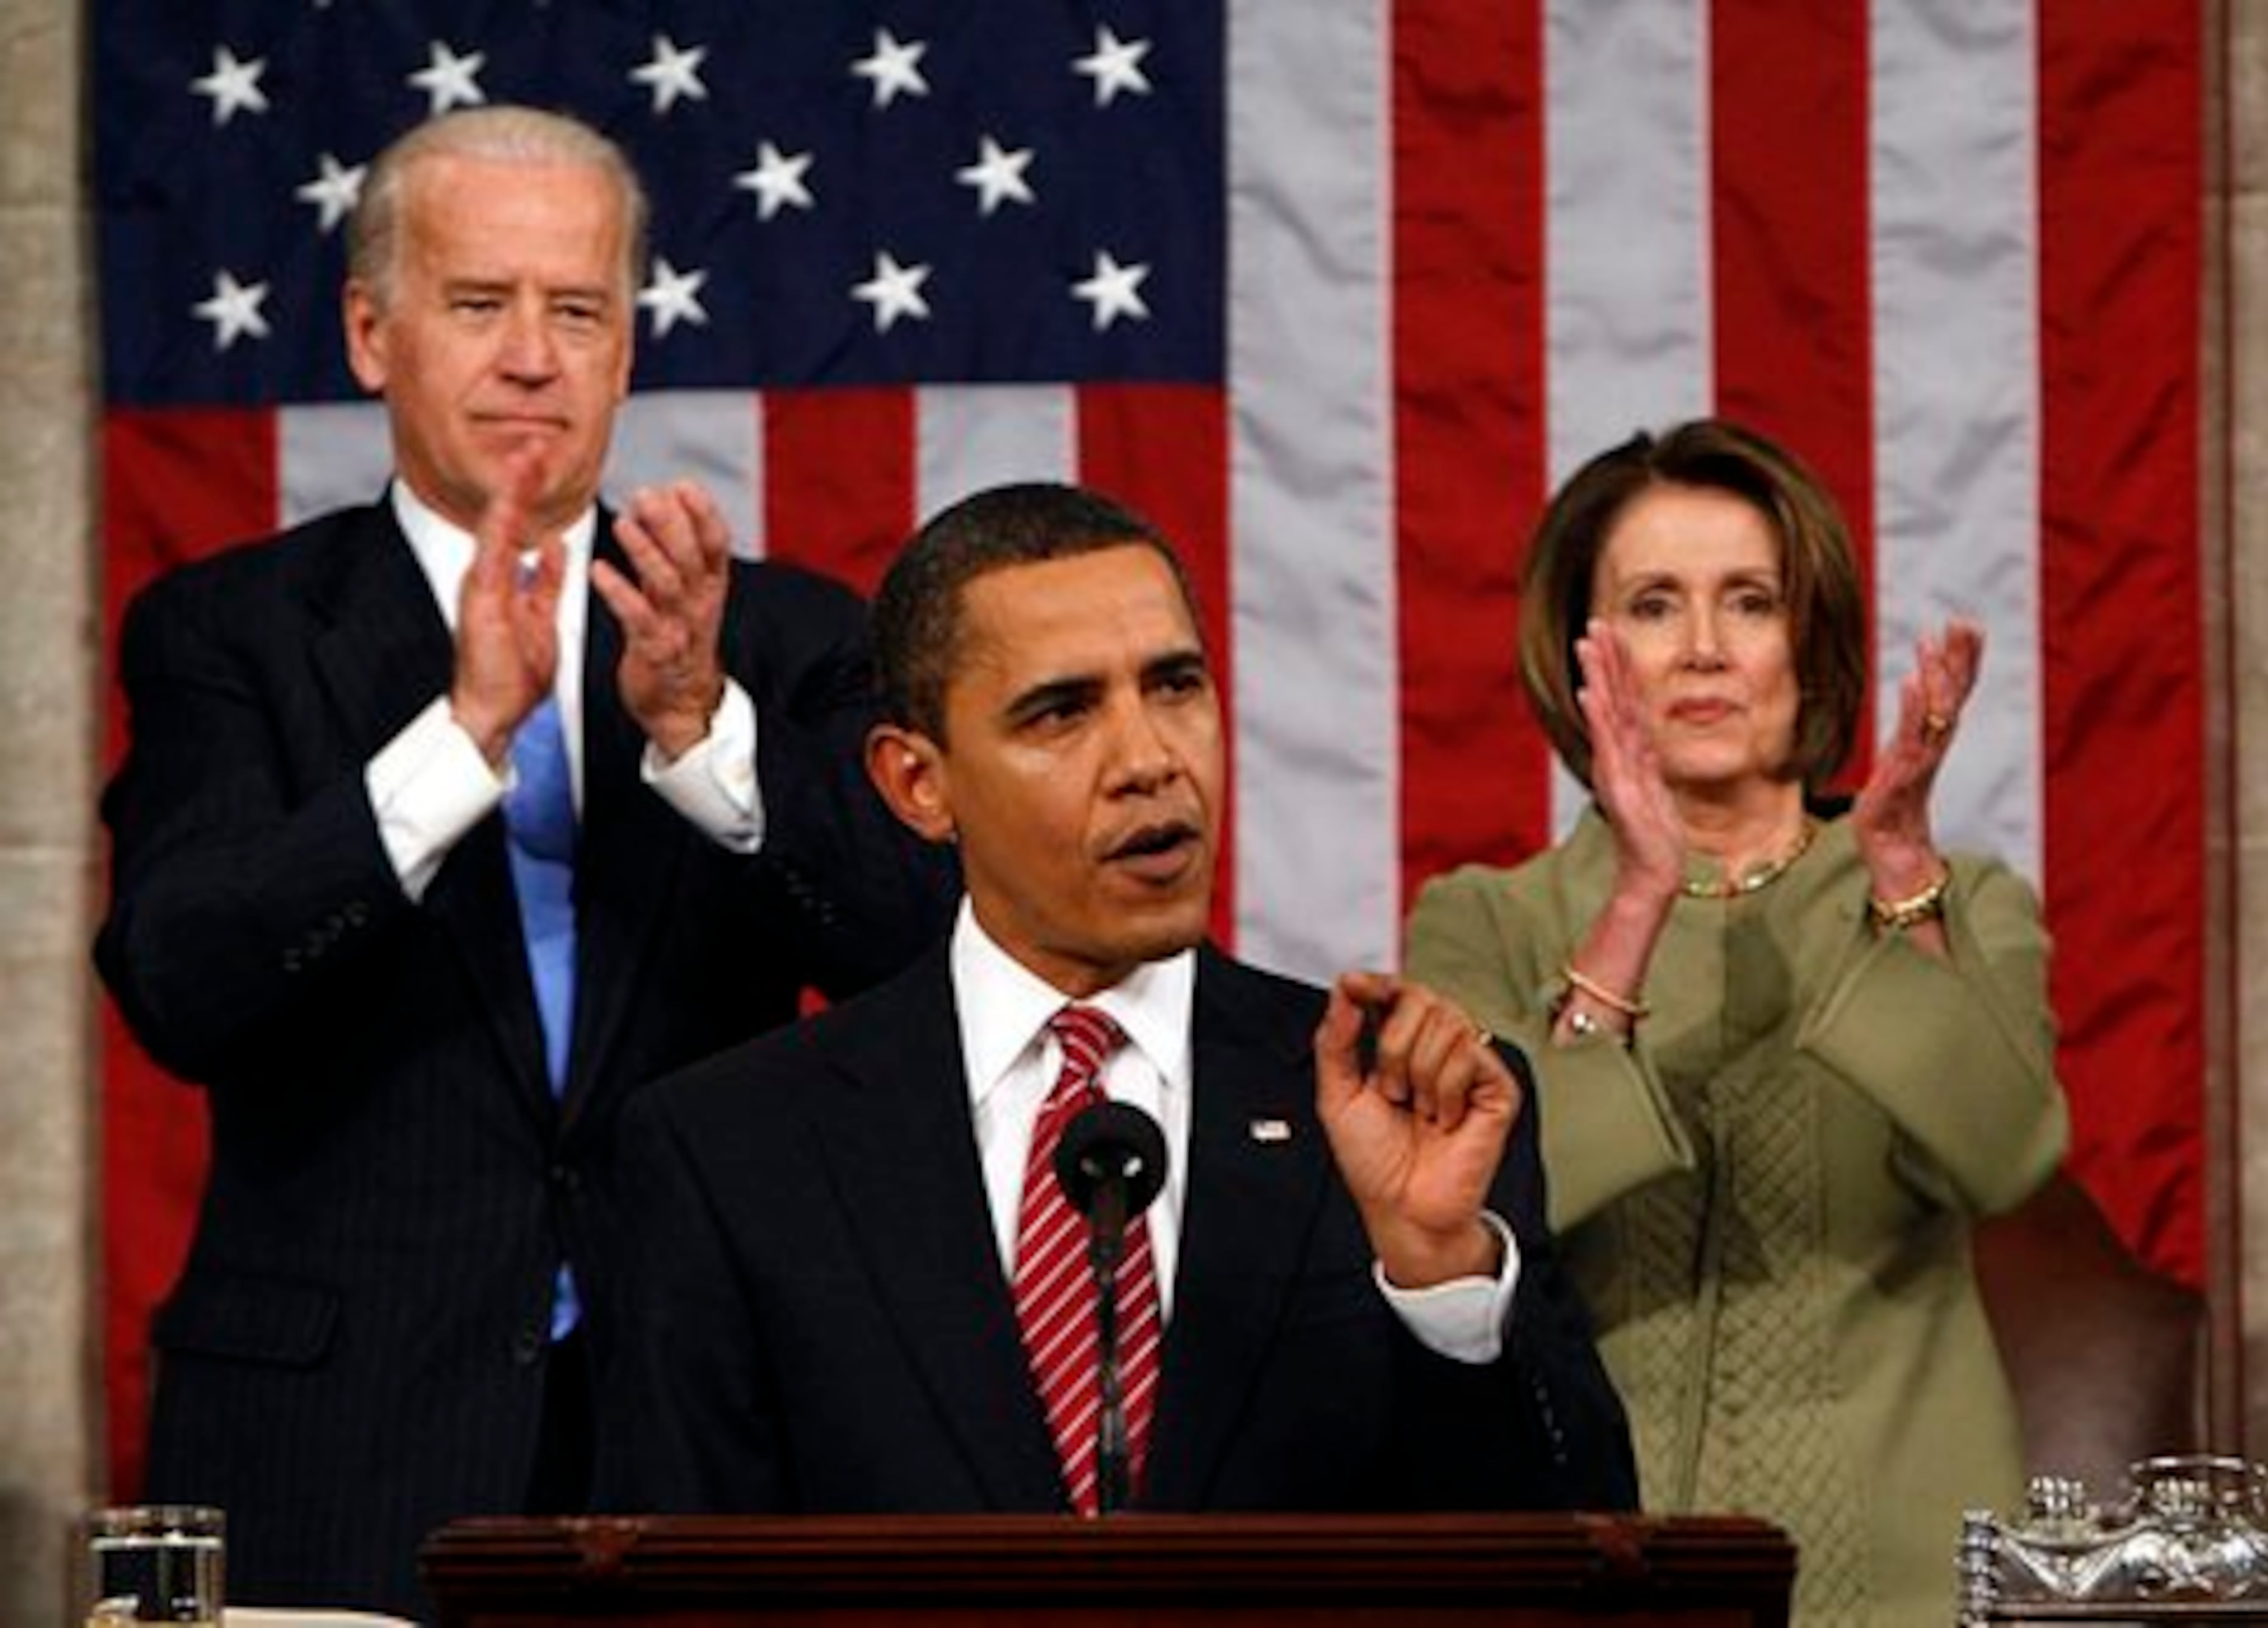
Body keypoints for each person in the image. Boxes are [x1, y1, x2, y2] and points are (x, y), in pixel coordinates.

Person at [94, 106, 955, 1619]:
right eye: (481, 304)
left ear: (628, 349)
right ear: (371, 334)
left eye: (578, 310)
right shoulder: (226, 633)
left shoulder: (785, 640)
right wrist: (461, 740)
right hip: (341, 1439)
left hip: (704, 1423)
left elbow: (922, 959)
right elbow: (179, 980)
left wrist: (702, 740)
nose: (534, 355)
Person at [596, 482, 1638, 1518]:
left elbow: (1576, 1564)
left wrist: (1440, 1278)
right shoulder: (733, 1154)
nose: (1150, 760)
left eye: (1176, 686)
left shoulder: (1401, 1108)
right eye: (1062, 711)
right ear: (919, 783)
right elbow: (682, 1590)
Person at [1403, 418, 2069, 1628]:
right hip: (1584, 1572)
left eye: (1750, 602)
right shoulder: (1483, 921)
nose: (1705, 648)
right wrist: (1638, 899)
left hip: (1909, 1580)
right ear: (1583, 651)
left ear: (1807, 644)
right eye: (1656, 604)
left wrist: (1900, 874)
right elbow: (1485, 1204)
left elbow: (2004, 1148)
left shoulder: (1952, 896)